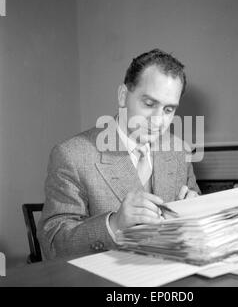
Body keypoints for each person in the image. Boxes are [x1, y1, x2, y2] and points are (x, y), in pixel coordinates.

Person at [37, 48, 201, 260]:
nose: (158, 121)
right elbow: (52, 244)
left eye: (169, 110)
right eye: (149, 104)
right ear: (123, 96)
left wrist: (195, 208)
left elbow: (196, 222)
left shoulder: (179, 152)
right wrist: (114, 224)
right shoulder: (72, 155)